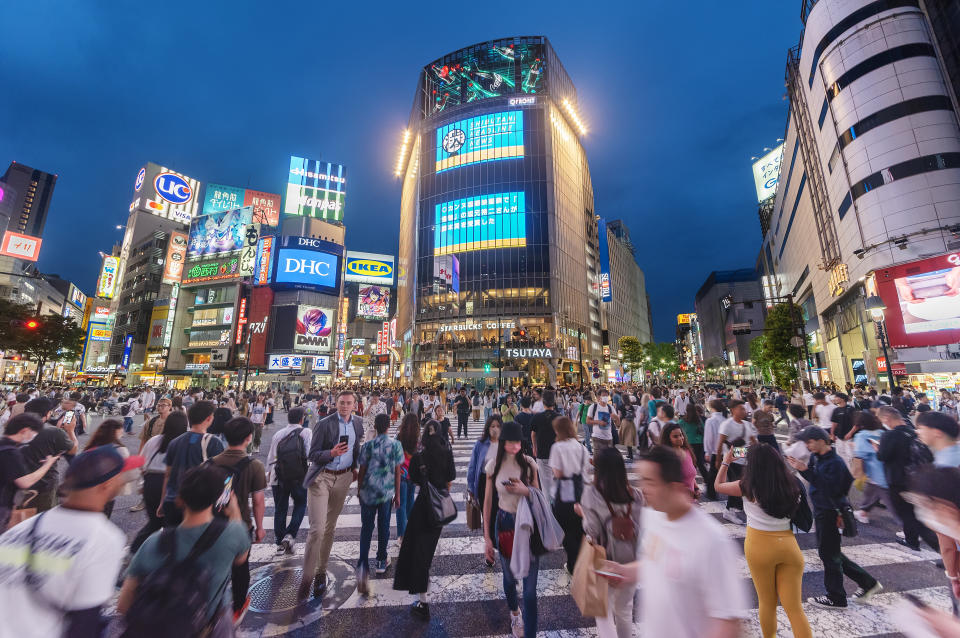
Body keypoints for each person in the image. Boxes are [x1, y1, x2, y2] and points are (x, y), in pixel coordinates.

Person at [599, 445, 747, 638]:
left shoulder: (711, 540)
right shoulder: (652, 516)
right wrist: (626, 572)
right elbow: (656, 561)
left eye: (650, 482)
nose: (642, 488)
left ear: (675, 487)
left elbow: (728, 622)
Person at [0, 446, 142, 638]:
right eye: (120, 476)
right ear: (107, 484)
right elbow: (84, 625)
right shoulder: (102, 539)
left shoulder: (21, 529)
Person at [118, 463, 251, 636]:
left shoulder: (153, 543)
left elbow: (123, 605)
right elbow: (241, 559)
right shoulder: (234, 533)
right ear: (218, 498)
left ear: (180, 499)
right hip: (209, 628)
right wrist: (234, 512)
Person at [716, 443, 812, 638]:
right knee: (794, 608)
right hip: (788, 546)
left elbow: (718, 485)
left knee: (767, 603)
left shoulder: (746, 485)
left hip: (759, 546)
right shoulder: (791, 482)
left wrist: (726, 461)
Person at [787, 426, 882, 607]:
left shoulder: (835, 463)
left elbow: (836, 487)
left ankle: (836, 596)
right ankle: (867, 582)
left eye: (809, 442)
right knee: (831, 553)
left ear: (821, 440)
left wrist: (804, 470)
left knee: (829, 554)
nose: (807, 446)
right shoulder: (817, 457)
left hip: (830, 511)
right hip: (822, 509)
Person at [299, 390, 364, 601]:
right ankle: (306, 578)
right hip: (322, 478)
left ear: (355, 405)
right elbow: (313, 454)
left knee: (330, 528)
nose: (345, 406)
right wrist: (332, 453)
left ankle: (320, 571)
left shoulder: (357, 424)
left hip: (343, 478)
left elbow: (356, 449)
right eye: (342, 403)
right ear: (336, 404)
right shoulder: (324, 423)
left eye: (349, 403)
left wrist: (355, 468)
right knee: (317, 529)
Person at [393, 419, 456, 620]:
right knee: (427, 550)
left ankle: (423, 599)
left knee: (418, 551)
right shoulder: (447, 452)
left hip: (423, 506)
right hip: (439, 508)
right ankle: (422, 595)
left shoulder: (420, 457)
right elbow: (450, 479)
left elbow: (414, 479)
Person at [483, 421, 541, 638]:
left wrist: (525, 490)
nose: (515, 446)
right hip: (505, 522)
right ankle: (515, 613)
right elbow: (488, 502)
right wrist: (487, 537)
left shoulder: (529, 464)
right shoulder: (493, 466)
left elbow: (539, 497)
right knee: (508, 579)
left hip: (528, 525)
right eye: (510, 442)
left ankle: (530, 634)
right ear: (503, 442)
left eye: (518, 442)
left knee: (529, 592)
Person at [579, 446, 642, 638]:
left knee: (603, 614)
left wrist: (582, 514)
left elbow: (592, 531)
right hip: (630, 562)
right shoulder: (636, 495)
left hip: (603, 560)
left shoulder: (592, 494)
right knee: (624, 612)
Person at [211, 416, 267, 623]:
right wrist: (260, 528)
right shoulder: (254, 465)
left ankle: (212, 605)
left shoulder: (210, 463)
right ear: (249, 438)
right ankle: (238, 605)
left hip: (213, 524)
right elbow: (259, 501)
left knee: (215, 566)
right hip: (241, 525)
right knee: (240, 568)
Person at [876, 405, 940, 551]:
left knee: (910, 516)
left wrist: (877, 448)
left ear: (886, 418)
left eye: (881, 419)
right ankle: (912, 541)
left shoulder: (889, 435)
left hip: (898, 481)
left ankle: (943, 551)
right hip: (917, 480)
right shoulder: (914, 432)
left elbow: (882, 456)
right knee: (914, 514)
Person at [356, 413, 404, 594]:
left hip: (368, 492)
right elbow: (398, 471)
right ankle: (381, 561)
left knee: (366, 528)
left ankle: (362, 564)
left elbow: (362, 470)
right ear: (388, 426)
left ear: (375, 427)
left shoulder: (367, 445)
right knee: (384, 526)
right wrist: (397, 494)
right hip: (385, 493)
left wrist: (359, 490)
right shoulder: (395, 445)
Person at [159, 400, 223, 528]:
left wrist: (162, 502)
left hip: (172, 501)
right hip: (198, 505)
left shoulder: (174, 442)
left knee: (174, 543)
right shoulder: (214, 442)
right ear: (209, 418)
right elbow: (220, 476)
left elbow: (167, 475)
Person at [133, 410, 188, 552]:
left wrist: (141, 483)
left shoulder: (154, 440)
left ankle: (136, 549)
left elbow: (143, 462)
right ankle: (167, 554)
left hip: (151, 482)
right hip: (171, 483)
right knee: (174, 522)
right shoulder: (183, 443)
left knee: (154, 522)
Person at [0, 413, 60, 529]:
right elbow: (25, 482)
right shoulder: (11, 453)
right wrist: (47, 465)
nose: (33, 437)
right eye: (34, 434)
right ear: (25, 431)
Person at [266, 406, 311, 554]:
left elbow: (272, 456)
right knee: (300, 503)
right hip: (298, 477)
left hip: (279, 476)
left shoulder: (278, 434)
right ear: (302, 419)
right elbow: (309, 454)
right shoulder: (306, 432)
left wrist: (269, 473)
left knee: (280, 508)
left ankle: (279, 542)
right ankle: (290, 534)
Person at [21, 397, 78, 512]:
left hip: (19, 481)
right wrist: (70, 430)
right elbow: (72, 450)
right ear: (47, 414)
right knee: (43, 515)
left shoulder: (15, 429)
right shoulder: (54, 432)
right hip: (45, 483)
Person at [549, 415, 590, 572]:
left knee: (566, 529)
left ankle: (573, 563)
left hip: (564, 494)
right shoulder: (581, 447)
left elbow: (558, 473)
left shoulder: (557, 447)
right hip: (581, 492)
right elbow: (586, 470)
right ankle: (580, 559)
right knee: (579, 528)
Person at [715, 399, 757, 524]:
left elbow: (753, 441)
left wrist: (761, 451)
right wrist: (719, 461)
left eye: (744, 408)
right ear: (733, 410)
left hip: (746, 460)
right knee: (737, 486)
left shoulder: (746, 424)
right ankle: (729, 511)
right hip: (733, 460)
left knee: (745, 485)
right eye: (741, 408)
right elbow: (720, 443)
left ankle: (739, 507)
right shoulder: (727, 424)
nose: (744, 411)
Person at [82, 418, 130, 519]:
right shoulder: (120, 450)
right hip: (105, 491)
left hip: (86, 490)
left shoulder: (91, 446)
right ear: (116, 432)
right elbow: (124, 473)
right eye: (121, 431)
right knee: (101, 519)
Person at [851, 410, 892, 525]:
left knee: (893, 505)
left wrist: (853, 446)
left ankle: (910, 531)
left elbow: (860, 454)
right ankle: (863, 512)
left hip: (877, 473)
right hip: (886, 470)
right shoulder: (882, 432)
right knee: (871, 492)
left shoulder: (861, 435)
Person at [395, 412, 420, 544]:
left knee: (401, 505)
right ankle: (412, 531)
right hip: (413, 474)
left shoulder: (399, 436)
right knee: (410, 503)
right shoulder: (418, 438)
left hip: (401, 474)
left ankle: (402, 535)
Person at [660, 422, 700, 498]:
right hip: (676, 502)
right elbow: (669, 484)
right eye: (675, 436)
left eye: (681, 435)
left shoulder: (687, 451)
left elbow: (690, 476)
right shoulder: (668, 457)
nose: (680, 438)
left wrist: (696, 488)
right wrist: (689, 492)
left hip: (690, 501)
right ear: (668, 439)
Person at [677, 403, 709, 486]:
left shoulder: (683, 420)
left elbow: (677, 428)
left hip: (689, 443)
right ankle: (707, 479)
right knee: (699, 462)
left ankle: (691, 479)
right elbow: (704, 431)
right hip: (700, 443)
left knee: (691, 462)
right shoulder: (699, 419)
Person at [702, 398, 727, 500]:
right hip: (725, 451)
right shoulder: (725, 420)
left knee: (713, 473)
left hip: (715, 451)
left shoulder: (710, 420)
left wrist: (707, 451)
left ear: (712, 408)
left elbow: (708, 437)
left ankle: (711, 493)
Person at [586, 389, 620, 460]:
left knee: (608, 461)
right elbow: (588, 421)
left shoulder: (611, 408)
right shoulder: (593, 407)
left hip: (609, 438)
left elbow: (618, 425)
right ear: (598, 397)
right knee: (598, 460)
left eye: (607, 396)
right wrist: (599, 422)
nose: (606, 397)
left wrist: (617, 418)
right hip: (597, 438)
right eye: (604, 396)